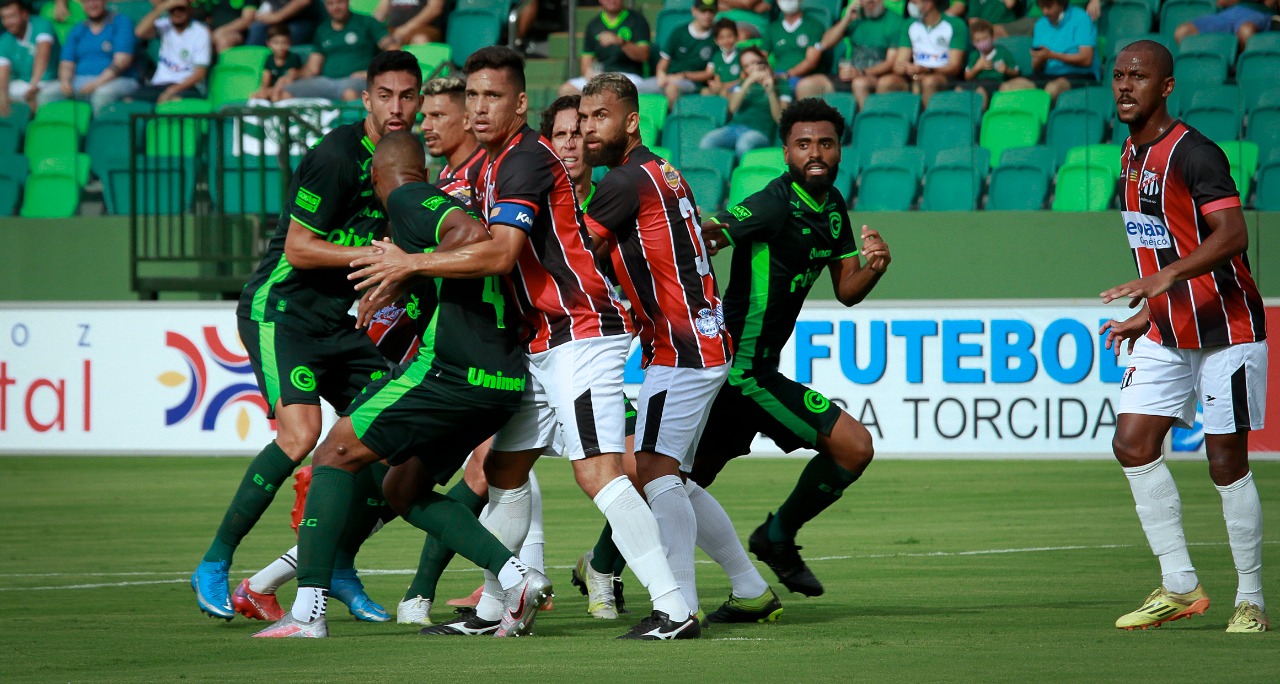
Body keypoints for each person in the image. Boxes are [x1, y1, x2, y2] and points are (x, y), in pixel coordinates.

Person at [348, 46, 696, 641]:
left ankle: (674, 607)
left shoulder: (525, 161)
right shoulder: (488, 165)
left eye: (492, 97)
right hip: (541, 342)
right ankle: (496, 608)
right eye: (473, 96)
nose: (479, 108)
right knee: (504, 470)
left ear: (520, 103)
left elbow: (504, 253)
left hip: (581, 333)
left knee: (599, 472)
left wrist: (413, 264)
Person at [252, 129, 552, 640]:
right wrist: (410, 274)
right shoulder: (432, 208)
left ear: (376, 177)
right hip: (501, 380)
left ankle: (308, 611)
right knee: (403, 488)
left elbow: (470, 238)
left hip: (450, 372)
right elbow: (463, 251)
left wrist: (405, 266)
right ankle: (515, 576)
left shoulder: (412, 197)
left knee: (333, 455)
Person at [189, 50, 422, 623]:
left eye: (407, 96)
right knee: (302, 434)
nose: (397, 107)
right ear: (365, 98)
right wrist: (373, 257)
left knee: (389, 434)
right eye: (385, 95)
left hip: (334, 323)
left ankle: (337, 563)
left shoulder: (403, 163)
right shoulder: (337, 157)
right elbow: (299, 248)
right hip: (281, 308)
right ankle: (215, 562)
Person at [580, 72, 767, 630]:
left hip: (682, 345)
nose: (590, 129)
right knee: (670, 475)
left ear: (631, 121)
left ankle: (679, 606)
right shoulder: (658, 169)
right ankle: (751, 587)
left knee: (653, 471)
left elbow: (574, 253)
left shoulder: (621, 181)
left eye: (600, 118)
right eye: (584, 119)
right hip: (698, 339)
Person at [1100, 40, 1269, 634]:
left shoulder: (1194, 153)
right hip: (1169, 328)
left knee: (1225, 462)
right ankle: (1179, 584)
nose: (1125, 86)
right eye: (1118, 75)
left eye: (1138, 77)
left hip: (1228, 329)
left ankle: (1251, 598)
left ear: (1165, 87)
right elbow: (1160, 239)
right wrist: (1148, 312)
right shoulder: (1127, 155)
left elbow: (1232, 234)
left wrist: (1166, 276)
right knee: (1132, 443)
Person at [695, 98, 890, 599]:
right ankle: (777, 536)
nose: (815, 152)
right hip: (741, 371)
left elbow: (847, 289)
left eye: (825, 143)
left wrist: (874, 267)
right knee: (853, 445)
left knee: (678, 479)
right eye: (804, 144)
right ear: (786, 153)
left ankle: (600, 563)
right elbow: (711, 233)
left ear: (840, 150)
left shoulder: (832, 207)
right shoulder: (773, 203)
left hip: (753, 373)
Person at [279, 0, 397, 102]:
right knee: (287, 93)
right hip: (326, 81)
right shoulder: (322, 30)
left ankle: (355, 128)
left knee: (348, 92)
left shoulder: (367, 22)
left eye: (339, 2)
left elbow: (392, 49)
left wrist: (374, 73)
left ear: (347, 2)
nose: (336, 7)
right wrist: (294, 75)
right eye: (331, 3)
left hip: (356, 80)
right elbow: (312, 68)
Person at [794, 0, 905, 109]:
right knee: (806, 86)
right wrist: (846, 19)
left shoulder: (895, 21)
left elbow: (890, 62)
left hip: (875, 77)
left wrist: (862, 72)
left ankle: (866, 124)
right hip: (850, 75)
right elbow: (825, 44)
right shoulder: (855, 18)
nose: (870, 1)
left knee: (859, 83)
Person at [36, 0, 137, 114]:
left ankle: (100, 130)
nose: (92, 5)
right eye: (87, 2)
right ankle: (55, 130)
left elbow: (121, 62)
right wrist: (65, 82)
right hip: (79, 80)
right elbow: (67, 63)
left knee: (102, 94)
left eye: (95, 1)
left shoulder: (121, 22)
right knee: (47, 94)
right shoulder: (77, 29)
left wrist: (96, 84)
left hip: (118, 80)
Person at [1001, 0, 1096, 101]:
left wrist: (1052, 55)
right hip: (1046, 75)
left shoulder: (1081, 18)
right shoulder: (1040, 24)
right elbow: (1036, 67)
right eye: (1042, 7)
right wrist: (1040, 59)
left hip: (1079, 75)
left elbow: (1086, 59)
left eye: (1049, 6)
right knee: (1007, 88)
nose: (1045, 11)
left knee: (1052, 89)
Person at [699, 46, 782, 161]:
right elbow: (732, 109)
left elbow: (779, 118)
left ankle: (740, 177)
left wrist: (771, 91)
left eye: (754, 62)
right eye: (747, 66)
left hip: (760, 131)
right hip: (734, 128)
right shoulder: (742, 84)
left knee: (744, 144)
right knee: (707, 142)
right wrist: (748, 82)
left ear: (763, 61)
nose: (752, 68)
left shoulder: (780, 83)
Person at [560, 0, 657, 95]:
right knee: (567, 90)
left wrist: (621, 42)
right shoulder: (593, 24)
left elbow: (644, 55)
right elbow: (586, 59)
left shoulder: (637, 20)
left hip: (628, 76)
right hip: (602, 75)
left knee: (611, 91)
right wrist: (588, 73)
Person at [883, 0, 968, 106]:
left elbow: (954, 67)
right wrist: (905, 68)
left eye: (914, 2)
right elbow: (898, 64)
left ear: (928, 4)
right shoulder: (909, 24)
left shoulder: (955, 25)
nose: (910, 6)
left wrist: (927, 70)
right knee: (886, 82)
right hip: (915, 75)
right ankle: (887, 120)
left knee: (929, 82)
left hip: (942, 76)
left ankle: (927, 119)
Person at [133, 0, 210, 103]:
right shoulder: (165, 25)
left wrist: (172, 90)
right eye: (173, 9)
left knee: (175, 100)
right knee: (131, 99)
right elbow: (139, 32)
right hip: (160, 84)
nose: (177, 13)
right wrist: (162, 7)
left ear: (189, 10)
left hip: (188, 86)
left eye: (181, 9)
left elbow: (200, 73)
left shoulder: (200, 31)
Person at [656, 0, 718, 110]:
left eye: (711, 11)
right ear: (694, 11)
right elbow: (664, 61)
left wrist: (684, 75)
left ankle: (672, 123)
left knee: (673, 88)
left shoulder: (716, 39)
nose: (707, 15)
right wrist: (660, 74)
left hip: (693, 83)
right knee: (631, 87)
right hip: (668, 78)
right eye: (703, 11)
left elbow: (708, 73)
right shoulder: (679, 32)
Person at [0, 0, 58, 117]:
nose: (8, 22)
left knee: (41, 96)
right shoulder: (5, 39)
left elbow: (43, 54)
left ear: (24, 14)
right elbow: (3, 71)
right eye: (4, 18)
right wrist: (2, 96)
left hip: (49, 81)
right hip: (24, 83)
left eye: (12, 16)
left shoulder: (42, 25)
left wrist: (33, 86)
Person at [762, 0, 825, 93]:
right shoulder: (772, 28)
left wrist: (786, 75)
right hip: (777, 76)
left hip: (804, 78)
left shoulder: (814, 26)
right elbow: (761, 56)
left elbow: (811, 62)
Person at [1174, 0, 1276, 53]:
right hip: (1229, 13)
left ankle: (1245, 68)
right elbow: (1222, 1)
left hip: (1259, 13)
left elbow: (1271, 4)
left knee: (1246, 30)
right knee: (1184, 31)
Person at [959, 18, 1019, 108]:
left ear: (992, 37)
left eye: (984, 38)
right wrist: (977, 67)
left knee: (980, 91)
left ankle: (979, 118)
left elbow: (1016, 71)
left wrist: (1006, 70)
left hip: (995, 82)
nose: (982, 42)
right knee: (959, 89)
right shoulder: (974, 55)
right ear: (973, 42)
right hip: (975, 82)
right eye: (978, 40)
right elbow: (967, 76)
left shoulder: (1002, 52)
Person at [252, 23, 301, 101]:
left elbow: (290, 79)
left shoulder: (293, 58)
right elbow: (265, 80)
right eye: (276, 43)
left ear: (290, 43)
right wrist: (263, 91)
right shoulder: (269, 58)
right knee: (256, 95)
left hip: (286, 90)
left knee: (284, 95)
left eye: (284, 42)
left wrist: (274, 91)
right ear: (268, 43)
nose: (280, 47)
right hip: (272, 91)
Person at [245, 0, 320, 47]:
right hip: (270, 18)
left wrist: (278, 16)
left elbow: (304, 1)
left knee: (287, 35)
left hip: (300, 20)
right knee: (256, 28)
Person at [373, 0, 445, 45]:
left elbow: (434, 9)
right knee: (376, 39)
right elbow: (382, 9)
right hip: (393, 28)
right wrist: (369, 25)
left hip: (424, 28)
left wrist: (405, 29)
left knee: (420, 39)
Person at [703, 18, 742, 97]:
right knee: (705, 91)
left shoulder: (742, 55)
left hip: (738, 90)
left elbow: (743, 80)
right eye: (721, 38)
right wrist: (716, 85)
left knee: (724, 93)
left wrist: (724, 86)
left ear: (737, 36)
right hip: (722, 89)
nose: (726, 41)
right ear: (716, 41)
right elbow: (717, 78)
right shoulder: (717, 57)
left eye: (729, 36)